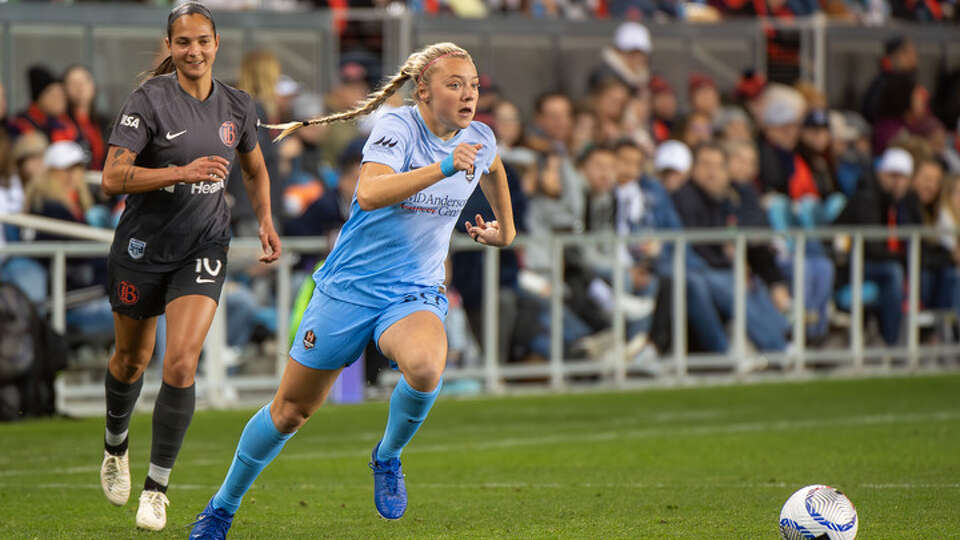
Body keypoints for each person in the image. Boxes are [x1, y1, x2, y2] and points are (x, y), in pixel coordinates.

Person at [189, 41, 515, 538]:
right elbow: (369, 192)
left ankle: (387, 456)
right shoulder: (396, 127)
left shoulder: (480, 137)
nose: (468, 95)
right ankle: (221, 507)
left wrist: (505, 231)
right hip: (348, 289)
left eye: (472, 85)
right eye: (455, 85)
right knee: (289, 412)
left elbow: (493, 167)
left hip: (413, 290)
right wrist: (446, 167)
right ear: (423, 91)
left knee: (427, 368)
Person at [95, 3, 281, 532]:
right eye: (183, 43)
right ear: (171, 47)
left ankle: (157, 488)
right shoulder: (147, 100)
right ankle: (115, 446)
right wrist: (179, 171)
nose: (194, 51)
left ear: (217, 44)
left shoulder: (238, 105)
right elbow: (112, 177)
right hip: (141, 250)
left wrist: (265, 220)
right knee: (132, 360)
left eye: (202, 41)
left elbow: (255, 169)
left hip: (204, 246)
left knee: (181, 362)